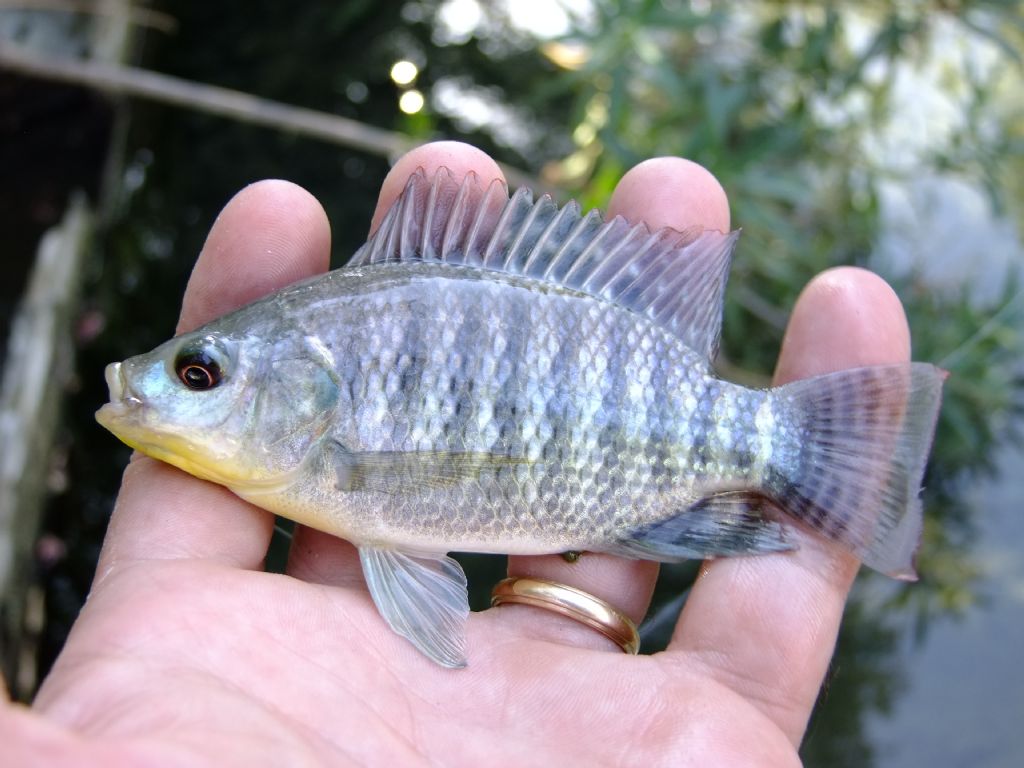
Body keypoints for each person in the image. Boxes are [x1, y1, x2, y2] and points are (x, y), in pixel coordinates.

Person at [1, 141, 912, 765]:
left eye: (198, 375)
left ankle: (819, 458)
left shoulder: (333, 465)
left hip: (638, 472)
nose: (153, 387)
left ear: (307, 391)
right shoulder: (322, 454)